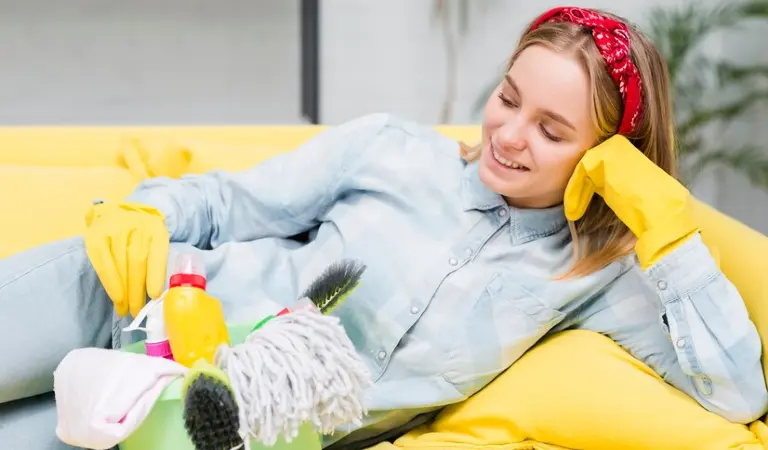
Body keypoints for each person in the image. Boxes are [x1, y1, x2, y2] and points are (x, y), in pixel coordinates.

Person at [0, 6, 766, 450]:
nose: (507, 134)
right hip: (120, 299)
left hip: (207, 426)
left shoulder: (593, 279)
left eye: (552, 129)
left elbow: (736, 396)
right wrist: (142, 212)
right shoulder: (392, 148)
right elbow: (231, 203)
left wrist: (668, 233)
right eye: (507, 98)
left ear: (610, 157)